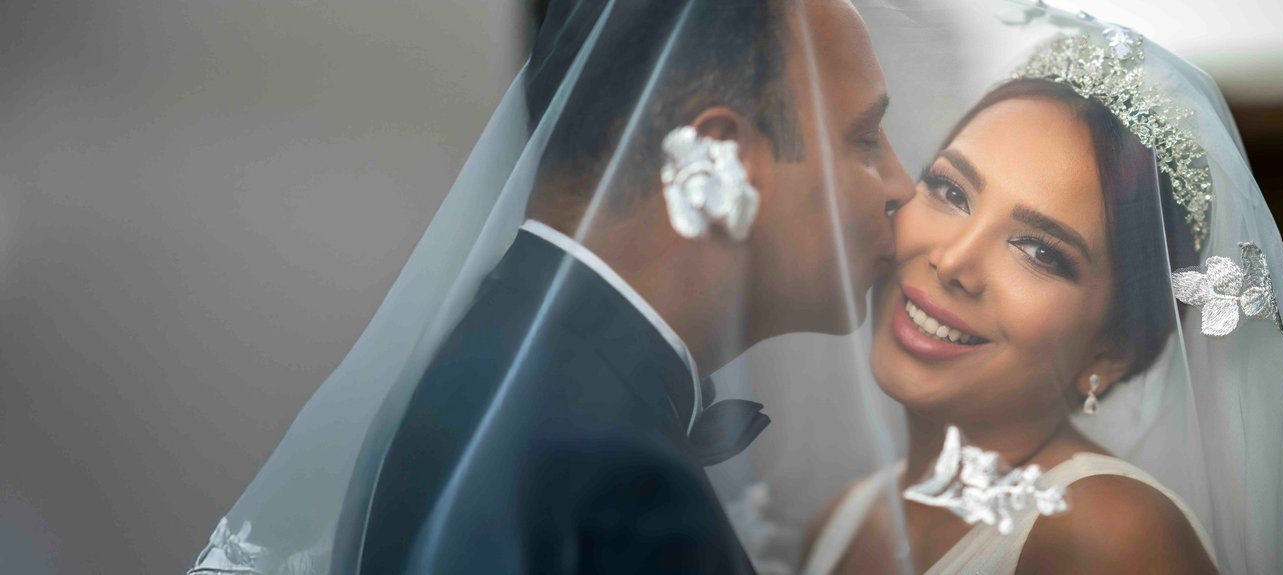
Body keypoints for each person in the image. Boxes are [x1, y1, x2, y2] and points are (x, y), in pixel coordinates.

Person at [189, 0, 911, 573]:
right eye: (865, 139)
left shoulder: (494, 363)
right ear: (718, 159)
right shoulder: (622, 490)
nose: (903, 186)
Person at [765, 7, 1283, 574]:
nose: (954, 262)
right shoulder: (845, 520)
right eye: (950, 191)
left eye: (1040, 252)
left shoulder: (1110, 538)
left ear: (1112, 352)